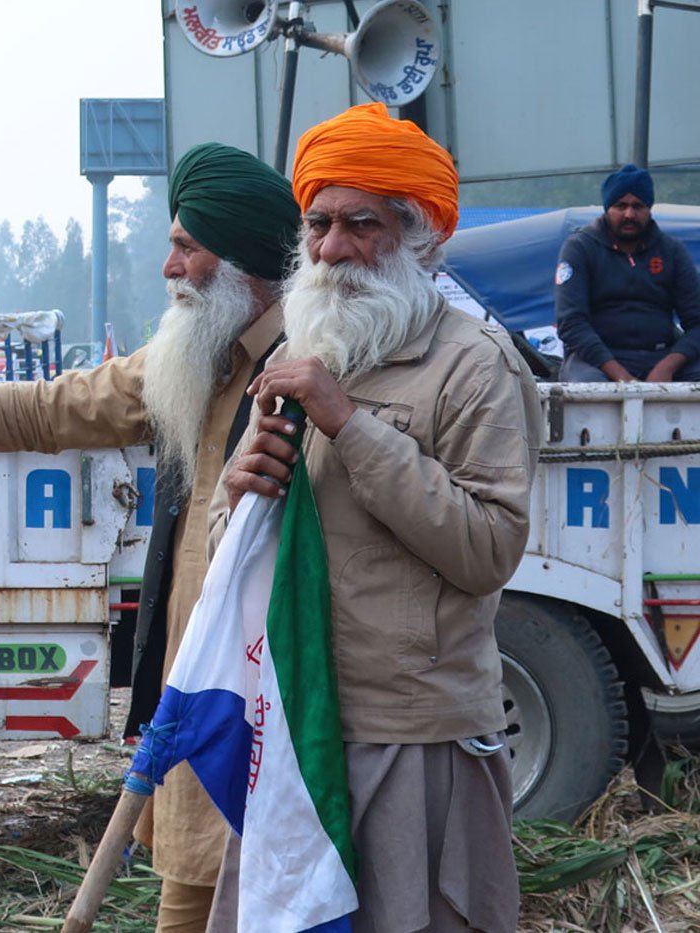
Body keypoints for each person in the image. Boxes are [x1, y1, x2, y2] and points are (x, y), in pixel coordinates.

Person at [0, 143, 301, 932]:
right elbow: (49, 408)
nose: (169, 267)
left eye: (188, 247)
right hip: (197, 711)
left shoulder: (306, 374)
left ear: (244, 260)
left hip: (271, 727)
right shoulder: (197, 362)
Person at [210, 102, 542, 931]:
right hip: (290, 725)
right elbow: (245, 552)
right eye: (318, 224)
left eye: (361, 224)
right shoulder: (297, 357)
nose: (331, 249)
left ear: (420, 234)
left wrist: (350, 426)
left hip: (411, 734)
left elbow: (488, 549)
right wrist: (234, 497)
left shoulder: (473, 364)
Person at [555, 163, 700, 382]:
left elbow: (697, 321)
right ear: (607, 208)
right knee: (586, 387)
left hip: (661, 357)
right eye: (620, 206)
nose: (629, 214)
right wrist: (622, 377)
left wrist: (667, 367)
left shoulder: (672, 251)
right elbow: (571, 323)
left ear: (649, 208)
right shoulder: (580, 248)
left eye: (638, 206)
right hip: (595, 361)